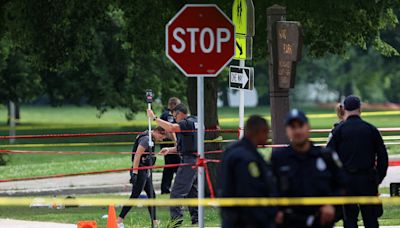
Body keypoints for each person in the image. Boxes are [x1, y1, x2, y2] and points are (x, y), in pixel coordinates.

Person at [271, 109, 346, 228]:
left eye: (300, 125)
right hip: (288, 222)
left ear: (308, 127)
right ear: (287, 130)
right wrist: (274, 211)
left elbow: (342, 184)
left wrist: (332, 205)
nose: (297, 130)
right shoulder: (278, 158)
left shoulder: (325, 156)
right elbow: (268, 188)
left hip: (320, 221)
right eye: (292, 126)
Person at [327, 95, 388, 228]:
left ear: (344, 109)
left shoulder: (339, 131)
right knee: (370, 218)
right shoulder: (371, 129)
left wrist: (336, 178)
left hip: (346, 180)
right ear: (360, 109)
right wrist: (378, 177)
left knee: (349, 219)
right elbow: (383, 157)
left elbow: (328, 155)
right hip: (367, 179)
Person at [220, 115, 276, 228]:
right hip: (245, 221)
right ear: (259, 132)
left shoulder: (233, 150)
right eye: (266, 132)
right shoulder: (246, 158)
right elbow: (250, 191)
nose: (268, 136)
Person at [147, 103, 198, 226]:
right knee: (192, 192)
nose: (174, 118)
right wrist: (170, 150)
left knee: (176, 193)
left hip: (189, 162)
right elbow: (189, 145)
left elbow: (171, 128)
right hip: (195, 160)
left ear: (180, 113)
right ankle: (197, 220)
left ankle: (176, 223)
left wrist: (154, 118)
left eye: (174, 115)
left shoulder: (186, 122)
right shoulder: (195, 121)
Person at [117, 126, 167, 228]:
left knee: (152, 194)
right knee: (135, 195)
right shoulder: (146, 139)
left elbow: (146, 154)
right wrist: (135, 173)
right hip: (139, 170)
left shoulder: (150, 138)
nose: (161, 140)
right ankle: (119, 220)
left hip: (145, 170)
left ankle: (154, 221)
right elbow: (137, 155)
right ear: (158, 132)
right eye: (162, 137)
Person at [160, 97, 182, 194]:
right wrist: (176, 142)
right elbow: (171, 130)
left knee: (169, 167)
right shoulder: (169, 115)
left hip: (168, 144)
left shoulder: (164, 114)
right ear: (174, 105)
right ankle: (174, 188)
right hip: (170, 143)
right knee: (176, 166)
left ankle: (166, 188)